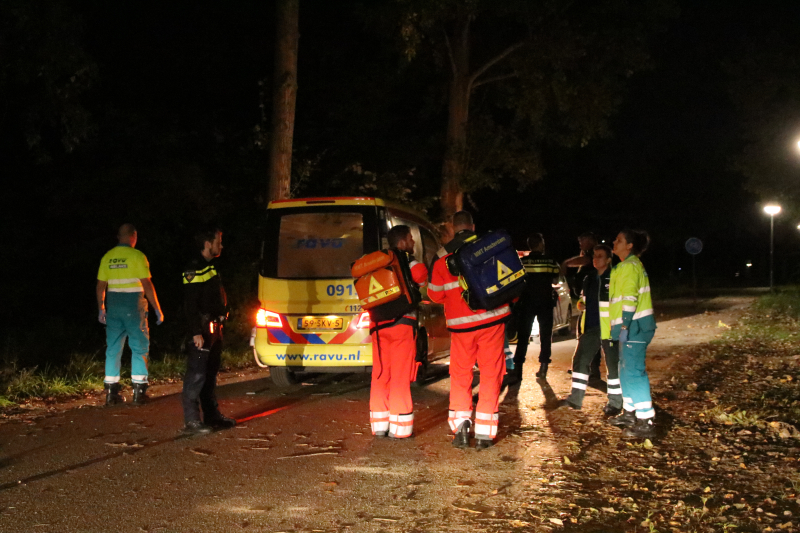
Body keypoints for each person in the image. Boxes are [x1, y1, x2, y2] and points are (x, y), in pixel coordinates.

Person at [428, 211, 510, 450]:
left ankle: (461, 429)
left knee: (461, 375)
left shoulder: (442, 255)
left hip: (461, 327)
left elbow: (434, 294)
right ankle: (485, 434)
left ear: (454, 228)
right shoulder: (488, 246)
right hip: (492, 320)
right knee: (490, 374)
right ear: (473, 226)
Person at [368, 225, 428, 440]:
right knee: (401, 375)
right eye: (410, 239)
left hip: (377, 326)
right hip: (403, 324)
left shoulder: (377, 262)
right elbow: (422, 279)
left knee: (381, 374)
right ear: (402, 242)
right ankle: (400, 429)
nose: (413, 243)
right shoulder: (409, 261)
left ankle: (379, 427)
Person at [96, 223, 164, 406]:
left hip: (113, 306)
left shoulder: (107, 257)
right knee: (139, 346)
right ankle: (139, 392)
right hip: (134, 306)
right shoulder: (137, 256)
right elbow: (147, 284)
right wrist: (157, 309)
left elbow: (100, 286)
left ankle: (111, 394)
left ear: (119, 236)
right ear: (133, 236)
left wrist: (101, 308)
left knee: (113, 348)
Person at [181, 227, 236, 434]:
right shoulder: (193, 268)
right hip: (202, 331)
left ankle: (212, 416)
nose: (221, 246)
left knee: (210, 375)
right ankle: (192, 421)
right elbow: (190, 304)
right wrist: (195, 332)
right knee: (196, 376)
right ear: (207, 244)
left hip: (214, 329)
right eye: (218, 242)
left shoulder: (211, 266)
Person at [559, 245, 622, 414]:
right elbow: (583, 300)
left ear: (609, 259)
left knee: (613, 365)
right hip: (592, 327)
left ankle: (616, 403)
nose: (595, 259)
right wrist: (581, 304)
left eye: (600, 256)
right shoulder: (589, 278)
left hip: (610, 328)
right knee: (580, 360)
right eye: (594, 256)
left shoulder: (616, 277)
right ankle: (575, 400)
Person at [607, 229, 657, 438]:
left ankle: (646, 420)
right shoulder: (625, 266)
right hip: (629, 327)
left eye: (619, 240)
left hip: (635, 326)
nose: (614, 242)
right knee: (625, 370)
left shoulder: (629, 267)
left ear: (629, 246)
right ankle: (630, 413)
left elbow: (629, 299)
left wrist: (625, 326)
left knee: (634, 371)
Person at [510, 233, 560, 382]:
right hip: (545, 302)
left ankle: (518, 370)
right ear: (540, 244)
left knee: (524, 336)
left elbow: (517, 281)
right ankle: (543, 367)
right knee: (545, 336)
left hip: (527, 302)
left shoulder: (522, 262)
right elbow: (556, 278)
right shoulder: (550, 262)